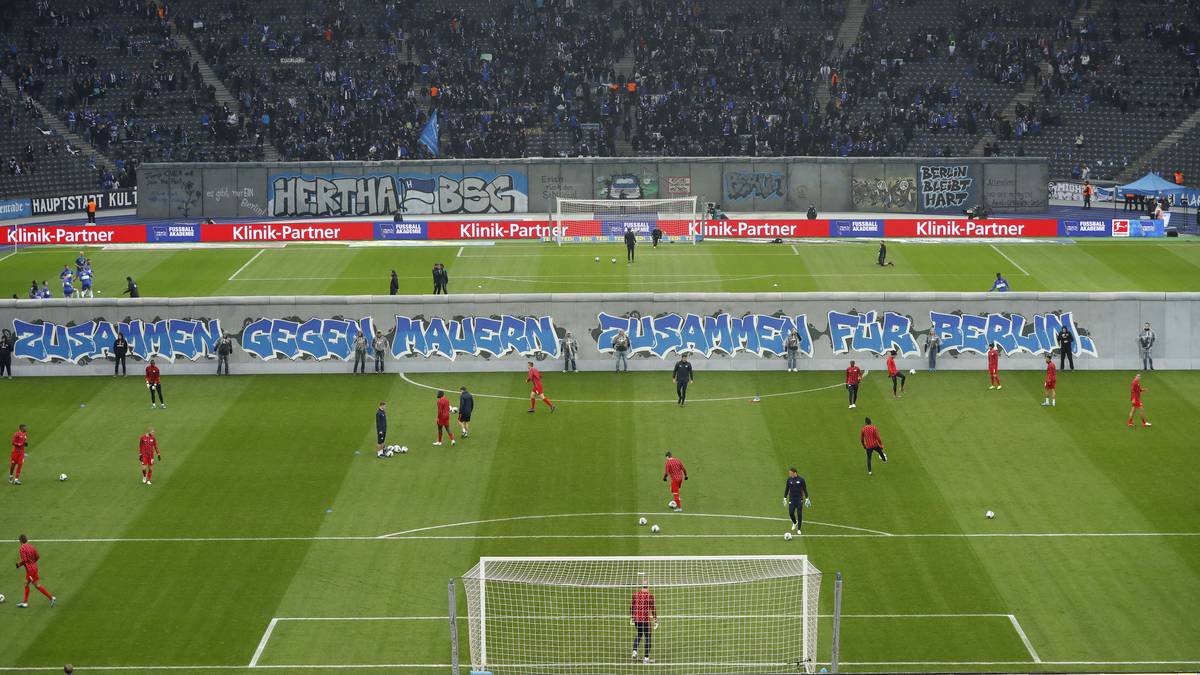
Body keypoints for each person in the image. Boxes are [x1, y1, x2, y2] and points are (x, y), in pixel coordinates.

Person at [15, 535, 55, 608]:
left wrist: (19, 565)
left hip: (30, 570)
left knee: (36, 585)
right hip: (34, 568)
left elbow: (24, 560)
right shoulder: (31, 546)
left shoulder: (22, 549)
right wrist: (32, 563)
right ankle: (25, 603)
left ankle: (51, 598)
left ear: (20, 541)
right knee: (26, 584)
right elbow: (37, 557)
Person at [630, 580, 658, 664]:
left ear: (641, 586)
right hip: (645, 620)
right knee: (648, 637)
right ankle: (646, 659)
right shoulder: (650, 596)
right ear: (648, 586)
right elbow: (653, 608)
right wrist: (655, 618)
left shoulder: (636, 595)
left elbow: (632, 607)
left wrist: (632, 617)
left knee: (639, 634)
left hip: (637, 620)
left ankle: (634, 652)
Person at [783, 467, 811, 533]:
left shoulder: (801, 480)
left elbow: (805, 489)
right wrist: (784, 498)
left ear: (795, 473)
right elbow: (787, 489)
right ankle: (795, 522)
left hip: (799, 499)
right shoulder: (789, 480)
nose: (789, 474)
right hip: (792, 499)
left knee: (799, 513)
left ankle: (799, 529)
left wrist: (807, 498)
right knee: (791, 512)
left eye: (791, 473)